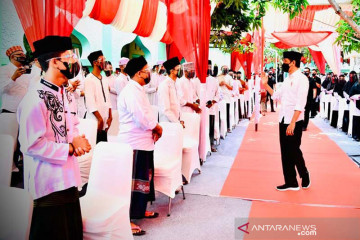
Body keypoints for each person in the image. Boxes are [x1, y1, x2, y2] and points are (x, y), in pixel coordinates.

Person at [17, 35, 91, 239]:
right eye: (69, 56)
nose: (74, 61)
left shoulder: (65, 93)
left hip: (69, 179)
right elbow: (32, 145)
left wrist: (76, 139)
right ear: (55, 62)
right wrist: (70, 147)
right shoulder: (34, 98)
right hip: (47, 185)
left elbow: (73, 125)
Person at [117, 56, 163, 236]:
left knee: (144, 179)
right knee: (133, 183)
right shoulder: (131, 91)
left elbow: (146, 113)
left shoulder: (138, 89)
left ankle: (140, 210)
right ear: (138, 73)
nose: (149, 72)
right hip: (134, 143)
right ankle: (126, 220)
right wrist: (157, 127)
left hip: (144, 142)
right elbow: (142, 117)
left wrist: (154, 127)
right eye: (147, 69)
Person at [261, 51, 310, 191]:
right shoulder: (287, 79)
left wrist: (293, 122)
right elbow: (276, 96)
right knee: (285, 151)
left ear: (293, 62)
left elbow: (301, 103)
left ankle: (304, 173)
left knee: (294, 150)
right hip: (283, 118)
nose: (283, 63)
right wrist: (265, 85)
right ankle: (291, 182)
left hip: (294, 120)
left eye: (285, 60)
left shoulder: (302, 79)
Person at [84, 50, 112, 143]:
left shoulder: (104, 78)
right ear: (95, 62)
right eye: (102, 59)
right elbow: (90, 102)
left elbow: (107, 99)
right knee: (94, 146)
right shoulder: (89, 79)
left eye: (104, 59)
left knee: (103, 147)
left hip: (104, 118)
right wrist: (99, 119)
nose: (104, 62)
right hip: (95, 119)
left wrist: (110, 116)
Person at [158, 57, 183, 125]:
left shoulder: (176, 83)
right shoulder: (164, 85)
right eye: (178, 70)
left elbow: (178, 104)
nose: (180, 71)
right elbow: (166, 109)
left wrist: (180, 119)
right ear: (172, 71)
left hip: (176, 122)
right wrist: (177, 122)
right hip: (167, 122)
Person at [206, 60, 220, 152]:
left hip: (211, 107)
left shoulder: (214, 80)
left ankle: (210, 145)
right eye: (207, 67)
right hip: (201, 108)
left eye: (210, 67)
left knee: (211, 127)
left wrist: (212, 102)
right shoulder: (197, 80)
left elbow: (218, 94)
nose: (209, 68)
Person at [218, 66, 233, 132]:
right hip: (219, 97)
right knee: (219, 113)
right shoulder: (218, 76)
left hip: (227, 97)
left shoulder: (229, 77)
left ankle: (227, 127)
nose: (225, 70)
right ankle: (220, 128)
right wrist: (220, 84)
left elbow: (231, 88)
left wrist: (225, 84)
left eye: (226, 69)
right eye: (224, 69)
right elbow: (216, 85)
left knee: (226, 112)